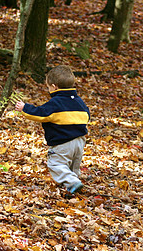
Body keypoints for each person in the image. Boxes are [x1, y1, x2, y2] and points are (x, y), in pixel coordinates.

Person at [15, 65, 90, 195]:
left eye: (48, 87)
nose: (49, 90)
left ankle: (72, 182)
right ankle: (72, 185)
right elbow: (86, 116)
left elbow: (41, 113)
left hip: (63, 143)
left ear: (54, 87)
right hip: (79, 141)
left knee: (56, 164)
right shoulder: (79, 102)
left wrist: (24, 108)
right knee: (73, 166)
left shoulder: (56, 103)